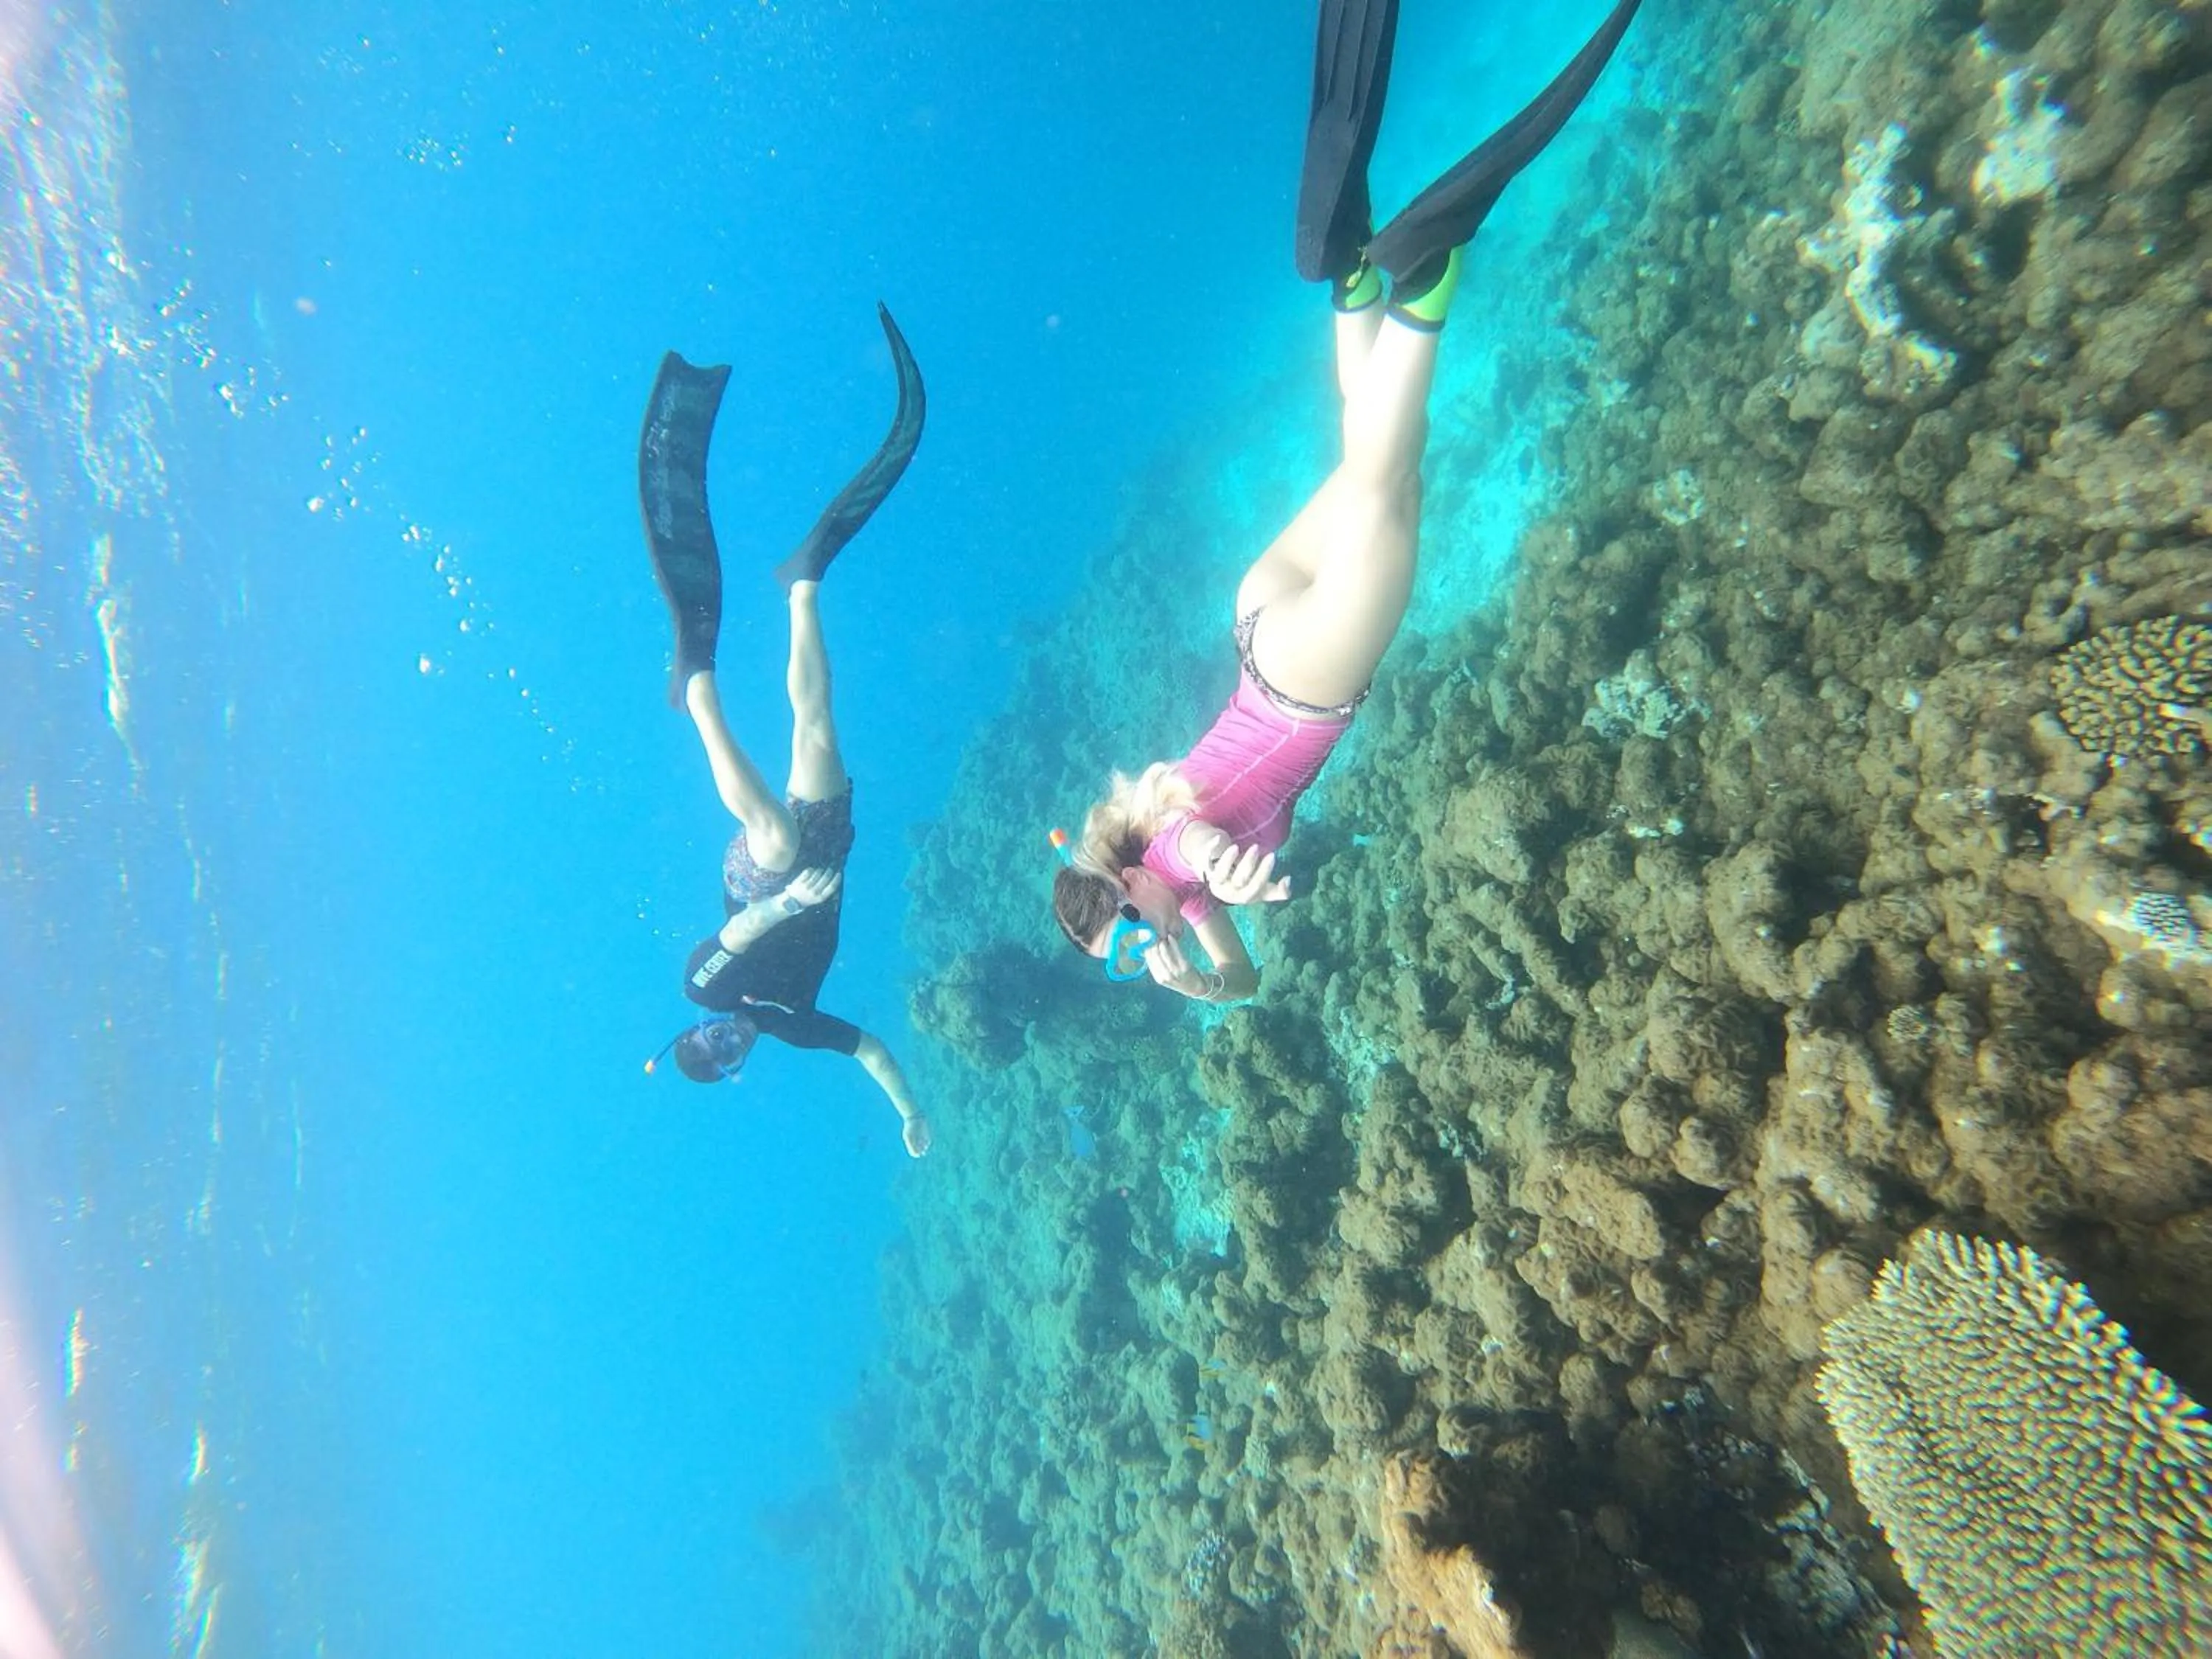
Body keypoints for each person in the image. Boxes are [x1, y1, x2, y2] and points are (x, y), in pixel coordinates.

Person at [1051, 0, 1641, 1004]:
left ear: (1124, 890)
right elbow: (1241, 974)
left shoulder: (1184, 865)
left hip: (1304, 679)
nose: (1137, 956)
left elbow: (1208, 857)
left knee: (1392, 480)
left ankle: (1429, 274)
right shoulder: (1165, 868)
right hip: (1259, 621)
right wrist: (1199, 980)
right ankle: (1354, 284)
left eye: (1122, 944)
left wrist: (1226, 877)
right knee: (1366, 453)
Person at [639, 305, 933, 1158]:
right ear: (740, 1067)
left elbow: (732, 937)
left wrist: (777, 908)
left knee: (768, 829)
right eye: (724, 1057)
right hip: (830, 857)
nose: (722, 1038)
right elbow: (869, 1049)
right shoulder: (795, 1027)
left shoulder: (704, 988)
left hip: (765, 877)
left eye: (704, 1043)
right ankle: (802, 585)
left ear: (688, 1033)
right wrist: (906, 1110)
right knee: (817, 721)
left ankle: (695, 689)